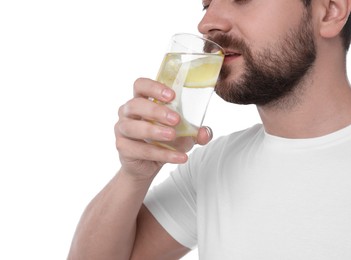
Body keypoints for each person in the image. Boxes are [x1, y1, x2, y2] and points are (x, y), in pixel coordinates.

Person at [68, 0, 351, 259]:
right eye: (207, 4)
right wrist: (134, 175)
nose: (206, 23)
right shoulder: (214, 166)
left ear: (330, 10)